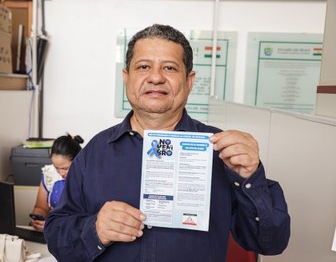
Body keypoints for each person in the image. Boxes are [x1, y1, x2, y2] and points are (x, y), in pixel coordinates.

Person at [44, 24, 290, 261]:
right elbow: (57, 236)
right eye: (143, 67)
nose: (155, 78)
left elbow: (270, 242)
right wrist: (94, 229)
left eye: (169, 68)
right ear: (126, 78)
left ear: (189, 80)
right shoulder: (95, 152)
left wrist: (250, 178)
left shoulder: (222, 152)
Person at [30, 134, 83, 231]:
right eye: (56, 168)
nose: (61, 173)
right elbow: (41, 207)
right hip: (52, 231)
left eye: (65, 168)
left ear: (78, 160)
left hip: (75, 233)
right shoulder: (50, 175)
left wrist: (55, 225)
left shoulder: (87, 178)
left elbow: (86, 218)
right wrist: (38, 218)